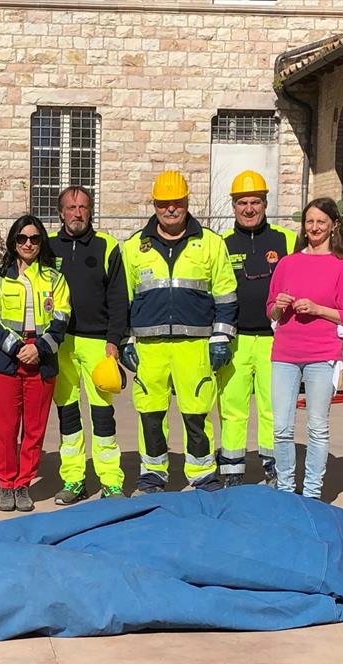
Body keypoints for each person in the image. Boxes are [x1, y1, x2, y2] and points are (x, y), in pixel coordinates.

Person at [119, 170, 237, 495]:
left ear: (187, 201)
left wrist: (221, 337)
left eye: (177, 202)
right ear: (154, 205)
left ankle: (202, 474)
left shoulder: (210, 243)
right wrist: (126, 339)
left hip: (195, 345)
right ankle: (152, 474)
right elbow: (121, 299)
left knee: (196, 413)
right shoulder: (133, 247)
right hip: (149, 347)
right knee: (150, 413)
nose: (170, 209)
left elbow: (226, 295)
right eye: (163, 203)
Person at [267, 197, 343, 499]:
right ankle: (285, 489)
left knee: (317, 426)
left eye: (321, 222)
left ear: (334, 225)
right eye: (309, 221)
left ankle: (311, 493)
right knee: (281, 427)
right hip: (285, 353)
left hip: (322, 354)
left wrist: (318, 309)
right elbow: (271, 311)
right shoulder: (287, 263)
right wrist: (279, 306)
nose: (314, 227)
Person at [0, 215, 70, 513]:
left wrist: (39, 349)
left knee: (34, 429)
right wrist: (18, 348)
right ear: (13, 242)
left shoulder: (55, 278)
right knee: (5, 429)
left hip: (40, 360)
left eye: (34, 238)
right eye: (22, 238)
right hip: (6, 359)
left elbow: (61, 319)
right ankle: (6, 484)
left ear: (41, 241)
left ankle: (23, 484)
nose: (28, 244)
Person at [217, 171, 297, 488]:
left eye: (255, 202)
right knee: (232, 407)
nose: (249, 209)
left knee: (272, 408)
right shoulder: (222, 244)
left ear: (265, 204)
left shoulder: (286, 240)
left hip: (274, 340)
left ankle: (273, 468)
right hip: (235, 340)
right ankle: (232, 471)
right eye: (242, 203)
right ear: (233, 206)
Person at [49, 186, 128, 505]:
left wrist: (114, 340)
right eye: (71, 207)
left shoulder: (106, 246)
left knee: (102, 413)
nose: (77, 213)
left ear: (90, 211)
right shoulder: (48, 246)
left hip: (98, 343)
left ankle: (111, 480)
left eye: (83, 207)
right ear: (61, 212)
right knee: (68, 412)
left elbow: (119, 298)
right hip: (60, 342)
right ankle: (74, 479)